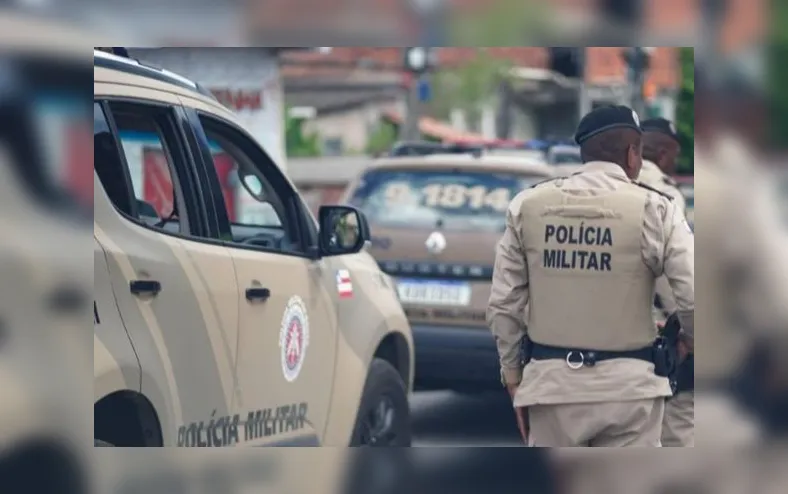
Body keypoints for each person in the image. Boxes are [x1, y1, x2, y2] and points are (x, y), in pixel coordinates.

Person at [487, 105, 694, 447]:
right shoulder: (657, 208)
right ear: (632, 154)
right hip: (630, 392)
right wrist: (690, 340)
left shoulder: (527, 206)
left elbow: (504, 305)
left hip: (552, 389)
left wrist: (512, 376)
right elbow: (692, 294)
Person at [638, 117, 694, 447]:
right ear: (661, 153)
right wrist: (689, 331)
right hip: (654, 331)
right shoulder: (666, 194)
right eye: (673, 156)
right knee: (680, 418)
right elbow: (675, 275)